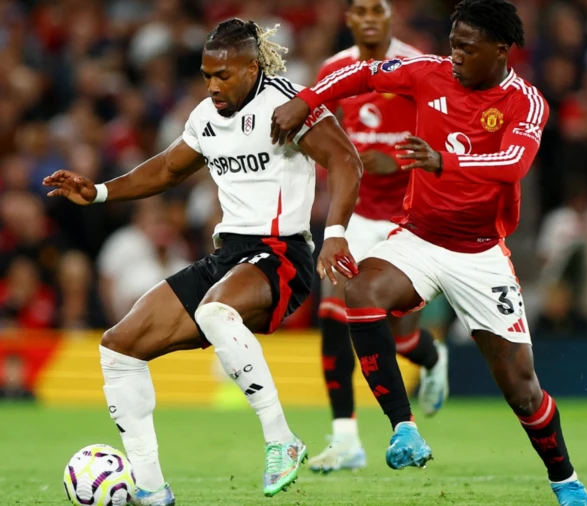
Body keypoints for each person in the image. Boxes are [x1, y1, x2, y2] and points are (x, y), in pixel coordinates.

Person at [270, 1, 587, 505]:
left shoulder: (524, 101)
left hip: (481, 254)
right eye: (453, 43)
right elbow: (363, 73)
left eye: (468, 46)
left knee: (522, 389)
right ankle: (403, 428)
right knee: (357, 288)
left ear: (501, 50)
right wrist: (307, 99)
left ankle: (566, 481)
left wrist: (445, 159)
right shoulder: (429, 73)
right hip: (418, 237)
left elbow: (512, 164)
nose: (456, 54)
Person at [43, 19, 362, 503]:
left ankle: (282, 439)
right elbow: (170, 167)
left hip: (281, 253)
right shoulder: (205, 116)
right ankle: (151, 491)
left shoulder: (286, 103)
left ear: (252, 67)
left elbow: (345, 161)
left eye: (223, 75)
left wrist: (335, 232)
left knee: (217, 311)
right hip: (228, 255)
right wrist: (102, 191)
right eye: (206, 74)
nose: (213, 85)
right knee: (119, 348)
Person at [308, 0, 448, 474]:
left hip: (406, 219)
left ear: (392, 18)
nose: (368, 18)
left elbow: (445, 136)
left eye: (378, 9)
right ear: (348, 19)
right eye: (360, 10)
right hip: (357, 216)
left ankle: (431, 358)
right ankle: (346, 438)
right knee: (333, 312)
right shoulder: (334, 70)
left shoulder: (418, 66)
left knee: (401, 337)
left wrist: (404, 161)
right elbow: (320, 135)